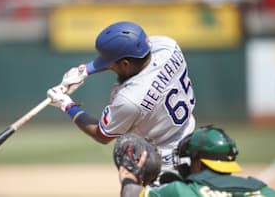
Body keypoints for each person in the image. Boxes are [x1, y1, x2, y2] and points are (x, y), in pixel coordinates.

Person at [47, 21, 196, 174]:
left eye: (110, 64)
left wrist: (67, 106)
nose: (109, 66)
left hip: (163, 164)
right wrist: (85, 70)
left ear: (125, 64)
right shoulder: (168, 46)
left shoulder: (130, 99)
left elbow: (102, 135)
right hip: (192, 142)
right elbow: (133, 51)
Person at [116, 126, 275, 197]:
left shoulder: (179, 191)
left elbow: (133, 194)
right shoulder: (264, 191)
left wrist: (130, 177)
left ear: (198, 163)